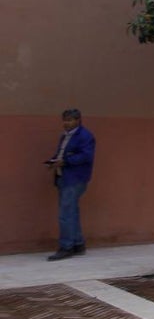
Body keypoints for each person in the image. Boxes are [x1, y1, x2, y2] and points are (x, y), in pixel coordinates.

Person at [45, 108, 95, 261]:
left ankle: (66, 247)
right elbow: (62, 153)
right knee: (71, 212)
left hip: (75, 179)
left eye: (69, 120)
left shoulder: (85, 136)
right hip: (63, 176)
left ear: (78, 120)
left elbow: (86, 156)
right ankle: (78, 244)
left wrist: (66, 161)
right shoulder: (65, 136)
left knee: (65, 215)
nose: (66, 123)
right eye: (64, 120)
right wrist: (54, 161)